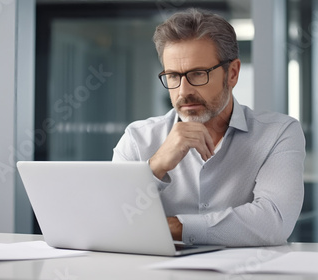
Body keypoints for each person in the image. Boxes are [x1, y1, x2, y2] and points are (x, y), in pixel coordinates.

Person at [113, 8, 305, 247]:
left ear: (232, 73)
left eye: (198, 73)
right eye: (173, 76)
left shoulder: (278, 133)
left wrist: (171, 226)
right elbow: (112, 219)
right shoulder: (137, 139)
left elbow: (273, 222)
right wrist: (156, 166)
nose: (183, 91)